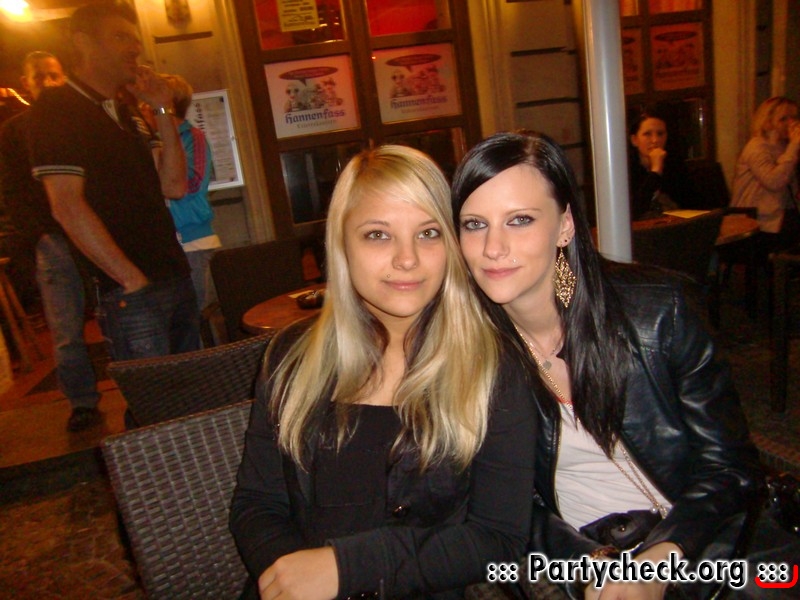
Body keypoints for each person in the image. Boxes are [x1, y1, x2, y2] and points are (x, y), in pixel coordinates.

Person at [452, 131, 795, 599]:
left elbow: (730, 467)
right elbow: (504, 502)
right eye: (474, 224)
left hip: (690, 545)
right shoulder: (469, 351)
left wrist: (663, 558)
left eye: (520, 220)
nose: (493, 247)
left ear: (565, 225)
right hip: (580, 557)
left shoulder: (657, 313)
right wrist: (591, 565)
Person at [229, 145, 536, 599]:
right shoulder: (292, 357)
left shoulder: (493, 366)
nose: (407, 258)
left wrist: (346, 569)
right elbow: (257, 503)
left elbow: (499, 540)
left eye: (428, 233)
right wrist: (289, 577)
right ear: (341, 246)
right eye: (377, 235)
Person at [26, 1, 200, 364]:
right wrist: (131, 281)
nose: (135, 48)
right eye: (121, 38)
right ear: (83, 42)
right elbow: (66, 206)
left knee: (190, 390)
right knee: (153, 397)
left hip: (173, 274)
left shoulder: (125, 110)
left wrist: (162, 109)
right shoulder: (56, 109)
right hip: (131, 292)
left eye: (135, 40)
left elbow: (174, 185)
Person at [0, 51, 103, 432]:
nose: (47, 82)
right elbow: (13, 190)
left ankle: (125, 392)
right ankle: (82, 402)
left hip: (90, 231)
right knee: (65, 327)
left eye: (53, 75)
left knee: (116, 316)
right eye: (39, 76)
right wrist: (40, 234)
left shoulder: (79, 120)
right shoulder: (15, 131)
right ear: (26, 84)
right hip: (55, 238)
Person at [161, 73, 221, 313]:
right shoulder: (151, 139)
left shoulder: (192, 137)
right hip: (168, 243)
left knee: (195, 315)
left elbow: (192, 184)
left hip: (193, 240)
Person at [731, 96, 800, 256]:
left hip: (781, 213)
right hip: (757, 219)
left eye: (794, 118)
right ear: (768, 122)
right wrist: (793, 147)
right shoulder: (756, 148)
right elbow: (774, 182)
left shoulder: (783, 146)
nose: (791, 123)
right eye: (784, 119)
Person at [627, 105, 698, 220]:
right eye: (647, 134)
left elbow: (691, 203)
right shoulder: (626, 169)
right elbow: (634, 210)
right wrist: (655, 171)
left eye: (660, 134)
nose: (655, 140)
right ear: (634, 140)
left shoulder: (675, 164)